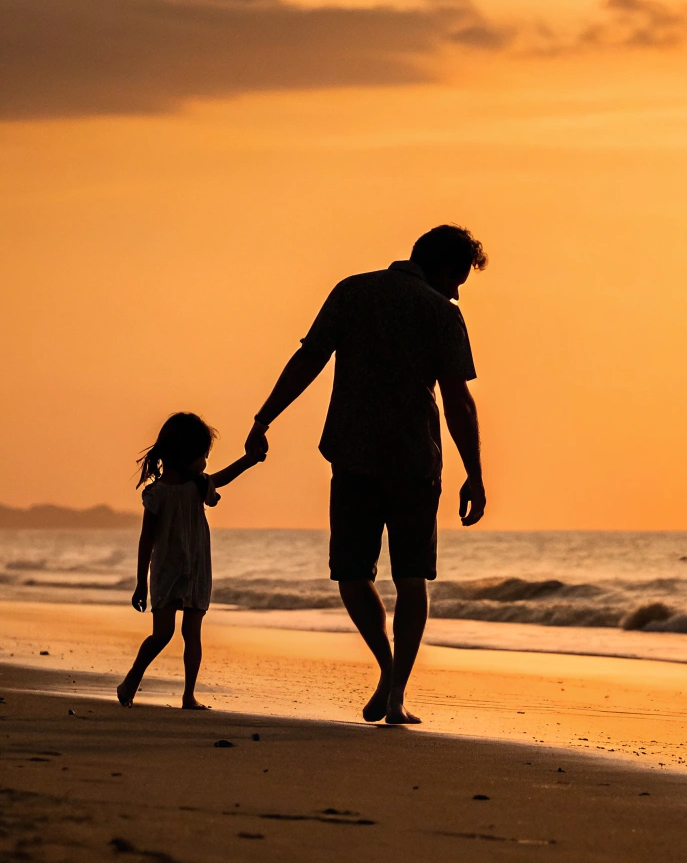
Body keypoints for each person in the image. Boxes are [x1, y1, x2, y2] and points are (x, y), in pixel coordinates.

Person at [245, 224, 487, 724]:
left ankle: (388, 668)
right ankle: (397, 690)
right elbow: (458, 402)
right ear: (440, 265)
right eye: (458, 277)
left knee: (352, 574)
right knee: (412, 575)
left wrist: (264, 417)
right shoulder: (442, 313)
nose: (459, 290)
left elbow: (308, 359)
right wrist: (475, 474)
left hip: (352, 455)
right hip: (415, 462)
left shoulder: (353, 290)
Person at [117, 412, 264, 708]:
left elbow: (224, 477)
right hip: (167, 571)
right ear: (184, 456)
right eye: (203, 456)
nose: (206, 463)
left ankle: (189, 695)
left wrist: (249, 459)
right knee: (162, 634)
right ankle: (131, 679)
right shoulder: (157, 494)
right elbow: (147, 540)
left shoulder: (197, 486)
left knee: (192, 633)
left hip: (196, 570)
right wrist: (140, 583)